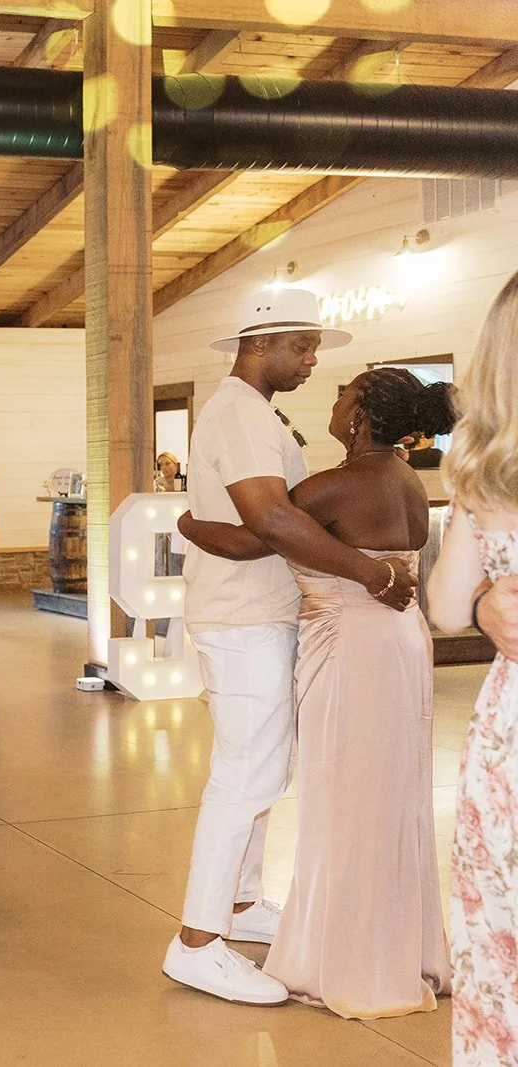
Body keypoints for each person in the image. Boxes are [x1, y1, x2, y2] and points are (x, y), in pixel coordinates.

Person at [166, 287, 418, 1006]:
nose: (311, 360)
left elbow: (275, 522)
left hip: (263, 613)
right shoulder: (238, 413)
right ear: (260, 342)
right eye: (303, 346)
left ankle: (241, 906)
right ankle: (197, 942)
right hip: (242, 618)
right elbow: (272, 518)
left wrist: (195, 525)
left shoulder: (257, 414)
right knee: (244, 776)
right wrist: (372, 573)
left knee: (261, 771)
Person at [426, 270, 518, 1064]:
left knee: (500, 955)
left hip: (508, 746)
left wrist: (487, 589)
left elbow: (445, 607)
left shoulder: (484, 477)